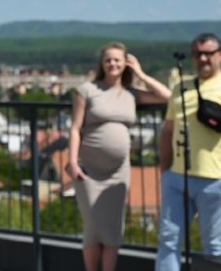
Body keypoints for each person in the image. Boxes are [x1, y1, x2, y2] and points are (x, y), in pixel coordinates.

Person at [66, 42, 171, 271]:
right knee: (93, 229)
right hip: (89, 170)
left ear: (125, 64)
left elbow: (167, 97)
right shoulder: (87, 90)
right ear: (102, 64)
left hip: (119, 171)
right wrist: (72, 162)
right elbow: (75, 128)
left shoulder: (131, 94)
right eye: (108, 60)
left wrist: (141, 74)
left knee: (113, 230)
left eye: (117, 60)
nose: (113, 64)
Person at [156, 33, 221, 271]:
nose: (203, 59)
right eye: (198, 54)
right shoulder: (181, 88)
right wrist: (165, 171)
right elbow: (167, 131)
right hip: (177, 177)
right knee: (169, 240)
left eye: (208, 54)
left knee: (214, 245)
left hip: (215, 180)